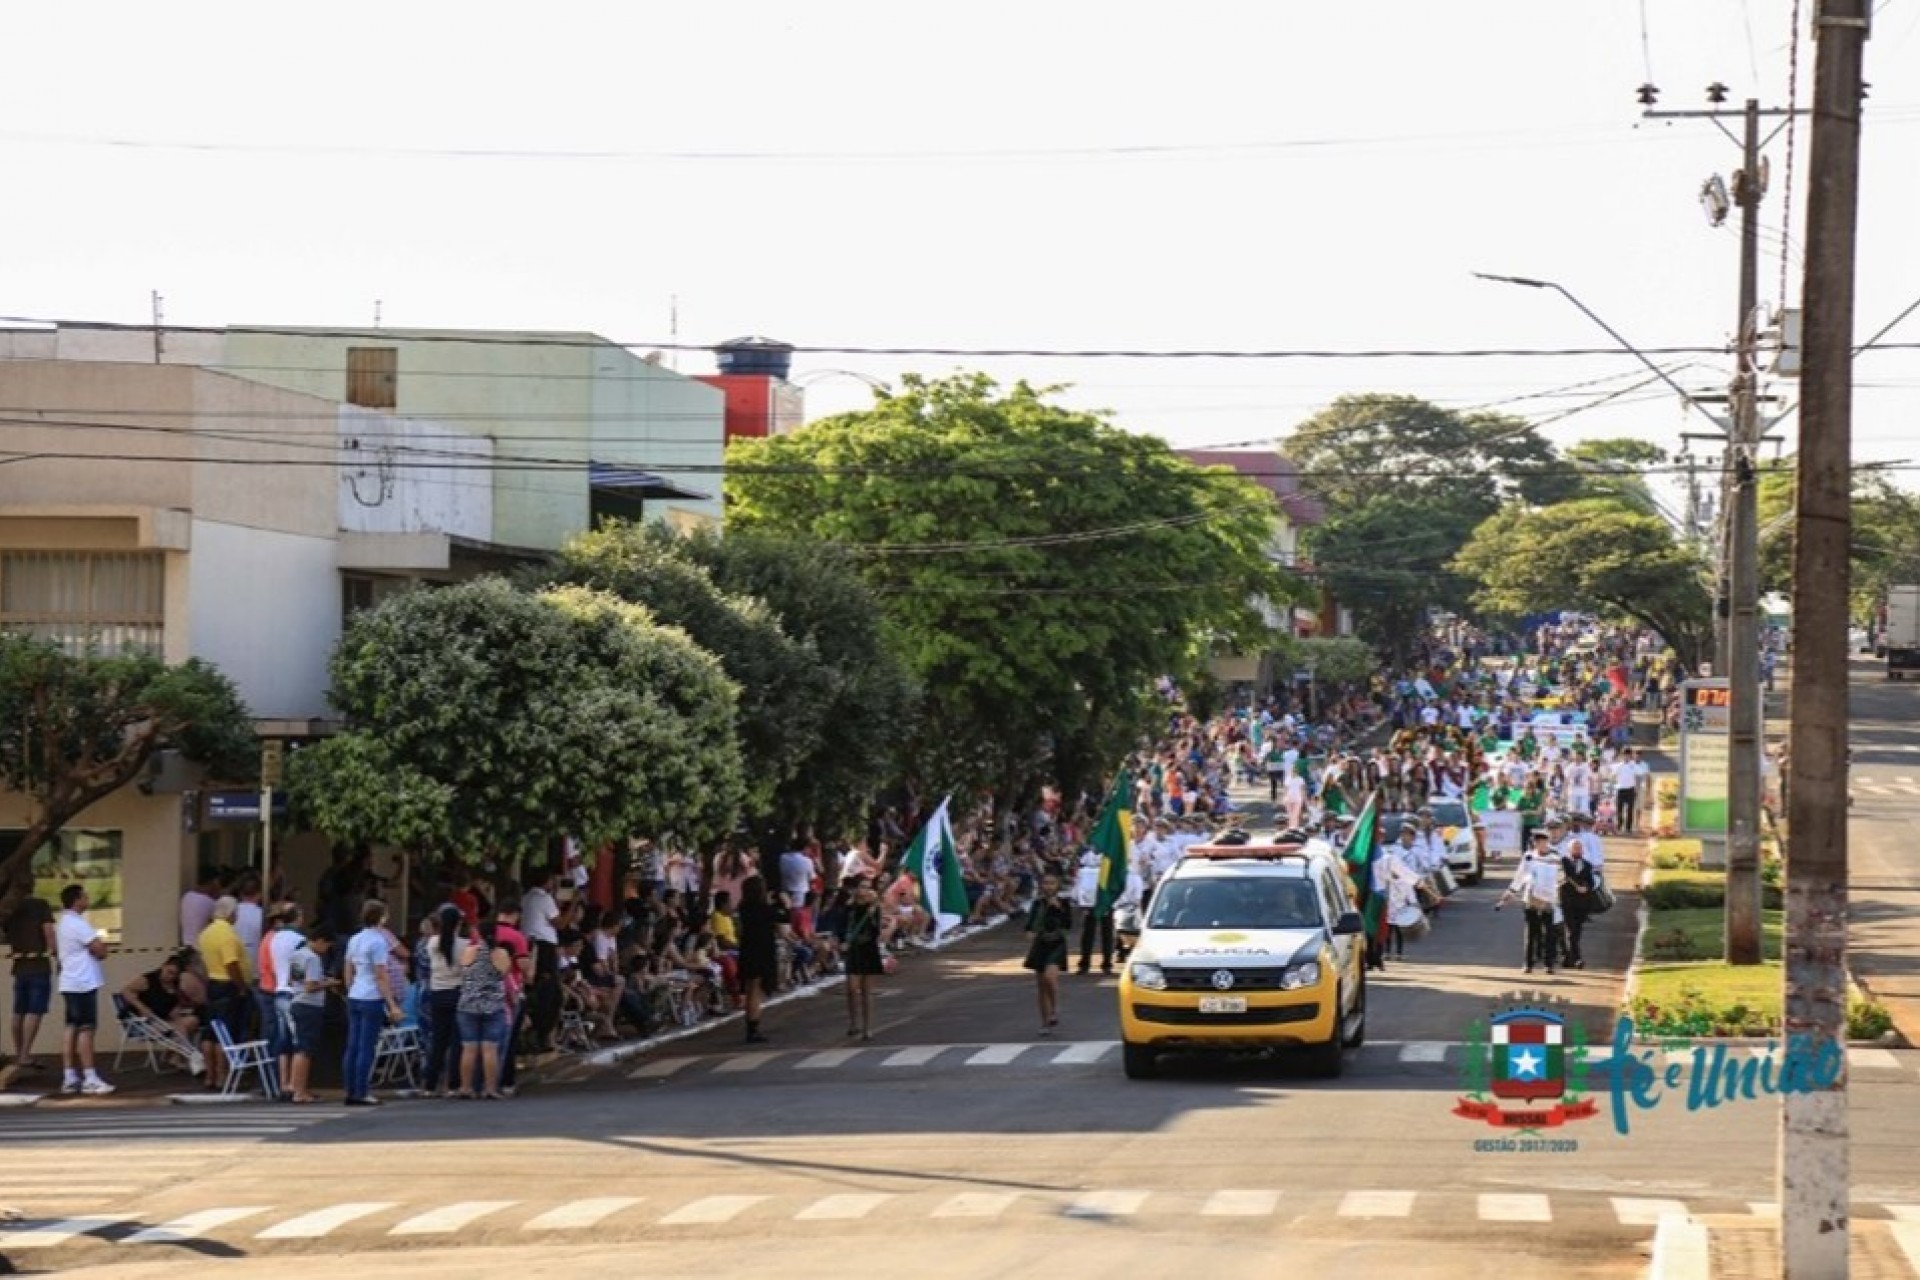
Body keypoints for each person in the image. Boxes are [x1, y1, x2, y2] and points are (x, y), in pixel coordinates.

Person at [341, 900, 404, 1106]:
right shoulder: (378, 942)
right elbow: (381, 976)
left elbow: (348, 967)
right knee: (367, 1046)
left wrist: (350, 988)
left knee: (353, 1045)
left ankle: (350, 1089)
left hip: (356, 993)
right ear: (382, 918)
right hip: (371, 996)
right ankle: (361, 1091)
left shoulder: (355, 939)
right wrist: (392, 1004)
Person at [55, 883, 114, 1094]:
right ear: (77, 900)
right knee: (86, 1029)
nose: (88, 898)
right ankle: (90, 1076)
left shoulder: (63, 922)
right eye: (85, 896)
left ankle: (70, 1075)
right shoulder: (77, 924)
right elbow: (100, 949)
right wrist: (100, 948)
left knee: (71, 1027)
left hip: (70, 981)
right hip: (83, 982)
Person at [1496, 831, 1564, 975]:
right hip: (1532, 899)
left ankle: (1549, 964)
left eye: (1544, 842)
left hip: (1549, 900)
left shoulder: (1556, 857)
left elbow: (1563, 876)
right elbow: (1519, 877)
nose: (1541, 845)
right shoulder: (1529, 857)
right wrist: (1510, 892)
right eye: (1538, 842)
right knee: (1532, 932)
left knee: (1550, 933)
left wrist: (1558, 890)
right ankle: (1528, 963)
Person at [456, 922, 511, 1099]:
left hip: (468, 1005)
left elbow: (462, 972)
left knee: (469, 1048)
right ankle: (490, 1088)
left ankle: (465, 1087)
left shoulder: (469, 951)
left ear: (477, 933)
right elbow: (504, 974)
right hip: (493, 1005)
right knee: (490, 1049)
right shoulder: (501, 954)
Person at [282, 926, 337, 1103]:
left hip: (296, 1000)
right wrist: (329, 983)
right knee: (306, 1049)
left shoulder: (297, 955)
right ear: (320, 940)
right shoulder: (313, 959)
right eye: (327, 945)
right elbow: (310, 986)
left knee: (299, 1046)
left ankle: (295, 1086)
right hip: (309, 1004)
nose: (326, 949)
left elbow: (294, 980)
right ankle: (300, 1091)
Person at [6, 890, 56, 1072]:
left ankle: (20, 1053)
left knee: (19, 1011)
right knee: (34, 1011)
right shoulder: (40, 905)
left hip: (19, 966)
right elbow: (48, 931)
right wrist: (54, 951)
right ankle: (25, 1054)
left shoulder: (9, 909)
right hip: (39, 966)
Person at [423, 904, 467, 1096]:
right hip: (457, 993)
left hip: (437, 994)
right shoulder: (464, 945)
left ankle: (430, 1084)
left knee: (438, 1041)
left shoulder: (432, 943)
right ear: (458, 923)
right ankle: (453, 1084)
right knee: (457, 1042)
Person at [1023, 873, 1072, 1036]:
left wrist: (1058, 908)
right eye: (1045, 883)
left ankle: (1055, 1008)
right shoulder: (1037, 904)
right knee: (1041, 986)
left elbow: (1068, 923)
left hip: (1056, 943)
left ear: (1057, 885)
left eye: (1052, 883)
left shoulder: (1064, 903)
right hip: (1040, 944)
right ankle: (1044, 1023)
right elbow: (1030, 924)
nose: (1048, 886)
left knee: (1050, 977)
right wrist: (1029, 932)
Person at [735, 876, 780, 1044]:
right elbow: (778, 925)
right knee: (755, 989)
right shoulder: (766, 909)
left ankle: (751, 1025)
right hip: (762, 949)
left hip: (747, 948)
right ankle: (753, 1027)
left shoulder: (743, 908)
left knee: (750, 987)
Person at [840, 878, 885, 1041]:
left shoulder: (873, 908)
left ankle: (868, 1027)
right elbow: (842, 926)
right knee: (852, 989)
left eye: (867, 887)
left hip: (868, 949)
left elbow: (876, 930)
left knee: (867, 991)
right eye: (861, 887)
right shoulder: (849, 908)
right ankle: (853, 1023)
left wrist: (873, 914)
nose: (864, 890)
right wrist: (841, 941)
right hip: (853, 949)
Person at [1069, 851, 1115, 975]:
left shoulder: (1111, 855)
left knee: (1107, 932)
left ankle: (1107, 963)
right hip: (1089, 899)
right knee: (1088, 933)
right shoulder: (1086, 856)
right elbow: (1080, 880)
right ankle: (1085, 963)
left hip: (1105, 899)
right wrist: (1079, 898)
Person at [1558, 841, 1600, 969]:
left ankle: (1568, 957)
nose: (1578, 850)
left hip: (1581, 904)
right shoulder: (1562, 863)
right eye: (1575, 848)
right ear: (1569, 849)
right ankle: (1577, 958)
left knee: (1576, 931)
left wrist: (1586, 888)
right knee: (1571, 930)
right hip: (1566, 902)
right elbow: (1558, 878)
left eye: (1579, 848)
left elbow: (1592, 883)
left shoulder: (1587, 865)